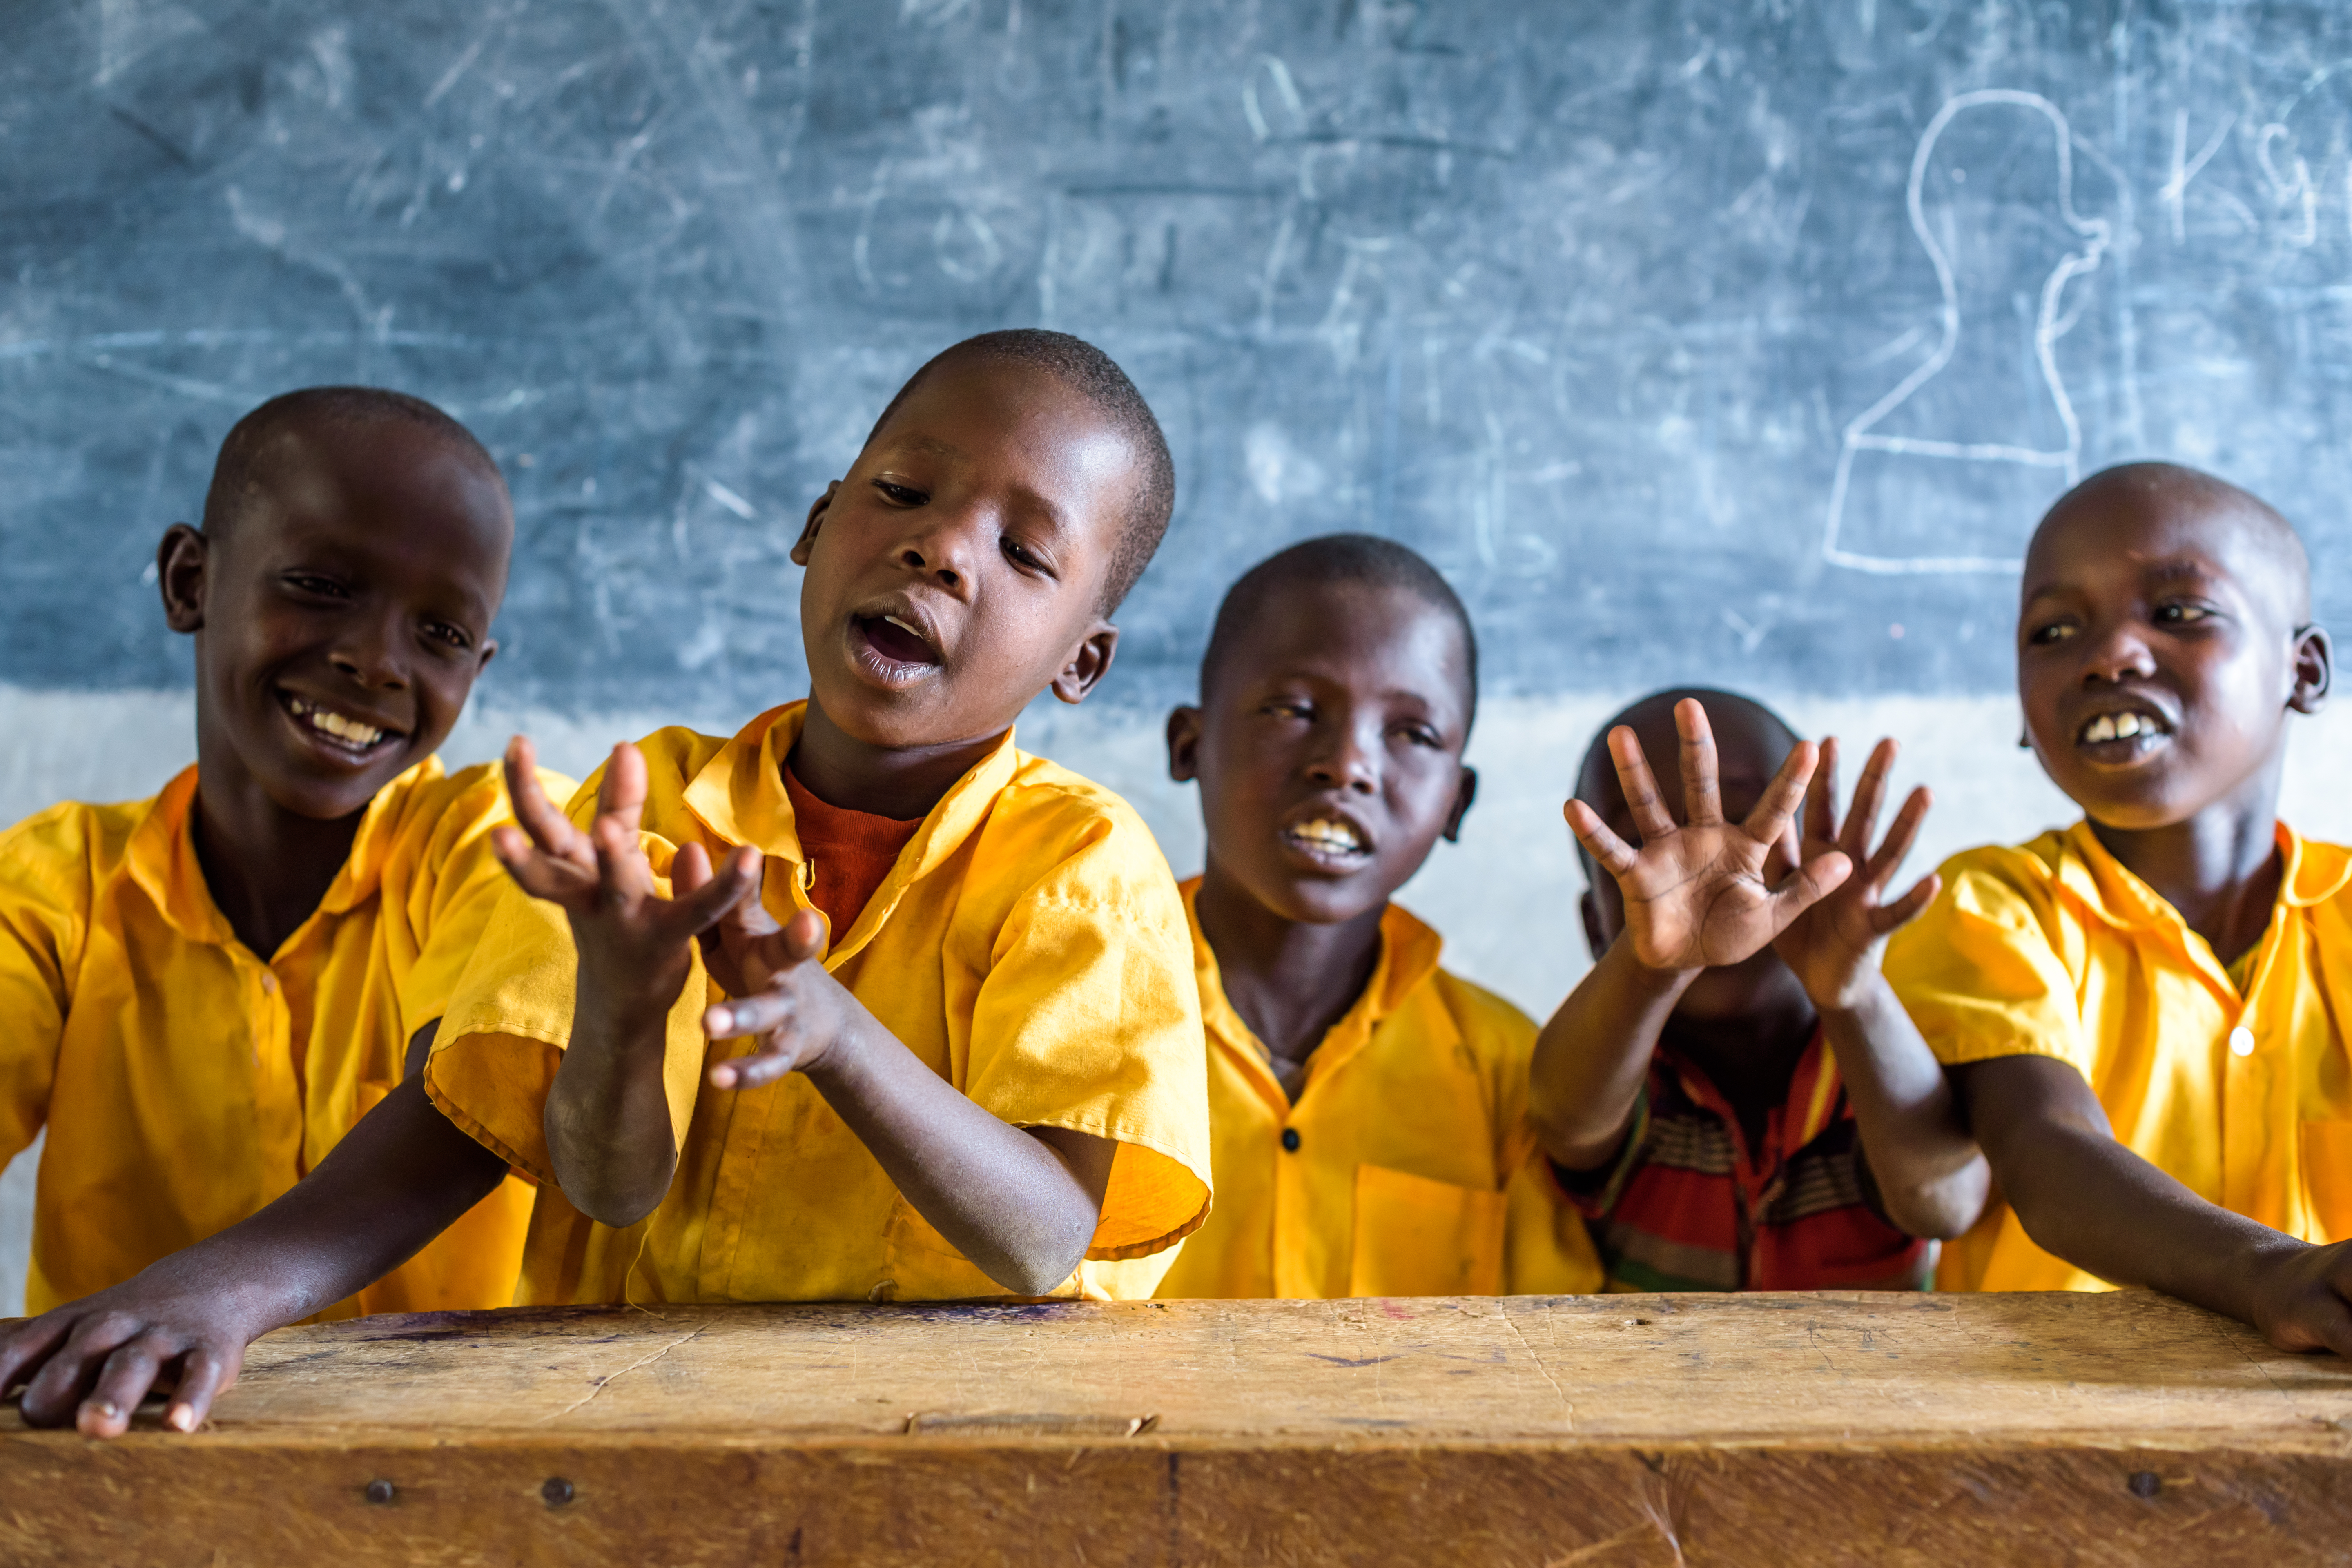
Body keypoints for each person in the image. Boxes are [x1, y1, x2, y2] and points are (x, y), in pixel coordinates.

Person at [0, 332, 1212, 1436]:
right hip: (635, 1455)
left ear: (1082, 661)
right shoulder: (646, 815)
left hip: (947, 1461)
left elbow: (1047, 1238)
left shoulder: (1083, 873)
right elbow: (609, 1188)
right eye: (903, 493)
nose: (942, 549)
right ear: (815, 523)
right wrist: (625, 1010)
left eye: (1024, 552)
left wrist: (838, 1034)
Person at [0, 386, 561, 1327]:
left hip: (453, 1458)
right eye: (323, 586)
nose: (379, 662)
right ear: (190, 582)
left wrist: (220, 1290)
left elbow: (483, 1106)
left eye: (443, 634)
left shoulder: (499, 850)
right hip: (122, 1443)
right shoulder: (58, 891)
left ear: (478, 669)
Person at [1887, 463, 2352, 1355]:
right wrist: (2271, 1274)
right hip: (2048, 1451)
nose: (2109, 657)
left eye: (2177, 613)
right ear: (2024, 713)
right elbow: (2045, 1152)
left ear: (2305, 669)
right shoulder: (1997, 906)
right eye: (2054, 631)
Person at [1153, 536, 1598, 1299]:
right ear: (1191, 744)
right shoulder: (1079, 1017)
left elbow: (1553, 1365)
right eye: (1294, 709)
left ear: (1456, 801)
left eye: (1411, 733)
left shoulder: (1504, 1070)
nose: (1348, 763)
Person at [1529, 691, 1988, 1291]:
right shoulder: (1614, 1071)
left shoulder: (1879, 1065)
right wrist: (1653, 967)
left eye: (1747, 830)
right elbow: (1567, 1123)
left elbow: (1943, 1205)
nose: (1705, 881)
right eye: (1644, 851)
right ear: (1596, 927)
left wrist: (1855, 995)